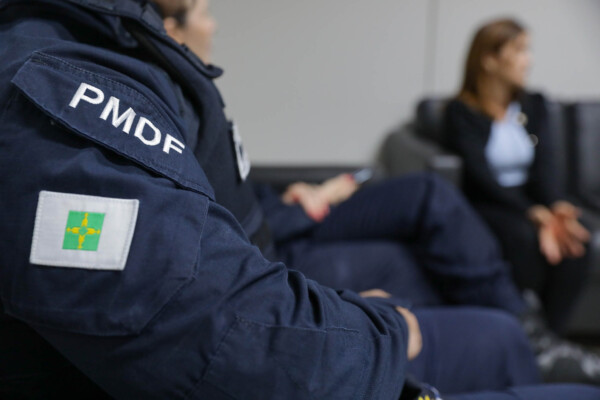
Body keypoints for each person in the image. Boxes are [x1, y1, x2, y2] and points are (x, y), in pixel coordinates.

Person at [1, 1, 600, 399]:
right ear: (172, 25)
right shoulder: (62, 76)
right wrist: (385, 329)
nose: (214, 21)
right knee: (501, 340)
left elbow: (210, 195)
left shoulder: (126, 50)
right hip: (274, 270)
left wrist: (291, 196)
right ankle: (527, 339)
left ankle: (527, 334)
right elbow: (219, 328)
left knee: (429, 235)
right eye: (204, 10)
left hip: (274, 230)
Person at [444, 18, 591, 334]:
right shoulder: (461, 112)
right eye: (520, 50)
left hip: (529, 199)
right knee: (524, 239)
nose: (529, 60)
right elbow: (480, 177)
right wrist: (530, 212)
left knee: (575, 239)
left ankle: (550, 336)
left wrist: (554, 206)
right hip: (489, 202)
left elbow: (546, 165)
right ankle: (517, 330)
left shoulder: (534, 105)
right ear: (490, 60)